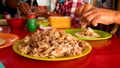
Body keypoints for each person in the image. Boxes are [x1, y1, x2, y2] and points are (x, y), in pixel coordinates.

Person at [18, 0, 83, 28]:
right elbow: (55, 17)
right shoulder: (59, 1)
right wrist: (41, 12)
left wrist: (47, 13)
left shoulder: (74, 0)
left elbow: (71, 21)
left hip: (74, 34)